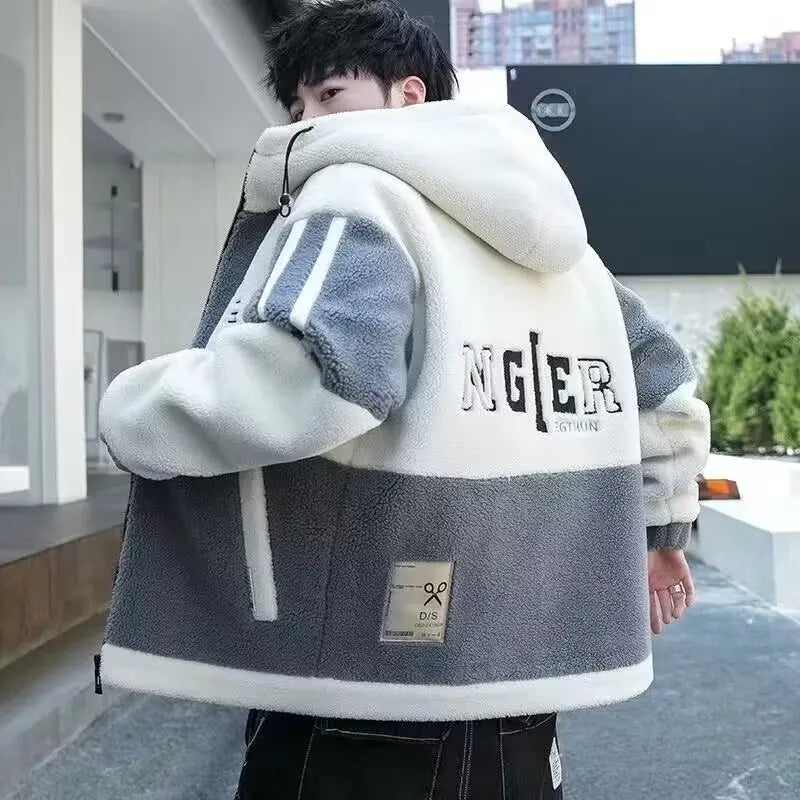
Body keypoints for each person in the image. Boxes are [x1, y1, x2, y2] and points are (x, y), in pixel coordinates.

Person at [97, 1, 710, 797]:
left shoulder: (360, 190)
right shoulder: (570, 260)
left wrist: (132, 412)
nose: (307, 122)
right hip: (526, 708)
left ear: (409, 94)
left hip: (362, 692)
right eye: (297, 104)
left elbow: (319, 377)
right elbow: (666, 392)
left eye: (330, 94)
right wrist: (663, 531)